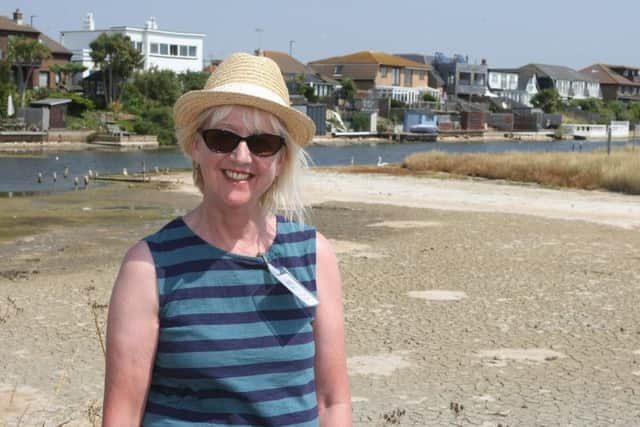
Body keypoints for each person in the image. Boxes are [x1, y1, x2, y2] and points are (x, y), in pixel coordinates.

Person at [102, 53, 352, 426]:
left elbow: (333, 402)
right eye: (222, 138)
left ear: (281, 159)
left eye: (262, 143)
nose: (241, 156)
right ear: (195, 146)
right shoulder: (148, 267)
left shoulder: (314, 255)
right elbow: (122, 415)